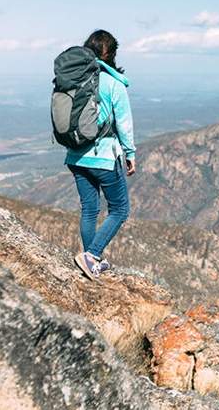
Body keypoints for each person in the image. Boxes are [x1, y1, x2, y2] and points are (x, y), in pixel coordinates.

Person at [68, 29, 136, 280]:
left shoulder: (74, 79)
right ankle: (92, 255)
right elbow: (124, 124)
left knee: (89, 209)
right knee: (120, 209)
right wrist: (130, 153)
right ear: (111, 54)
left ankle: (89, 261)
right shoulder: (113, 83)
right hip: (104, 156)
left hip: (75, 156)